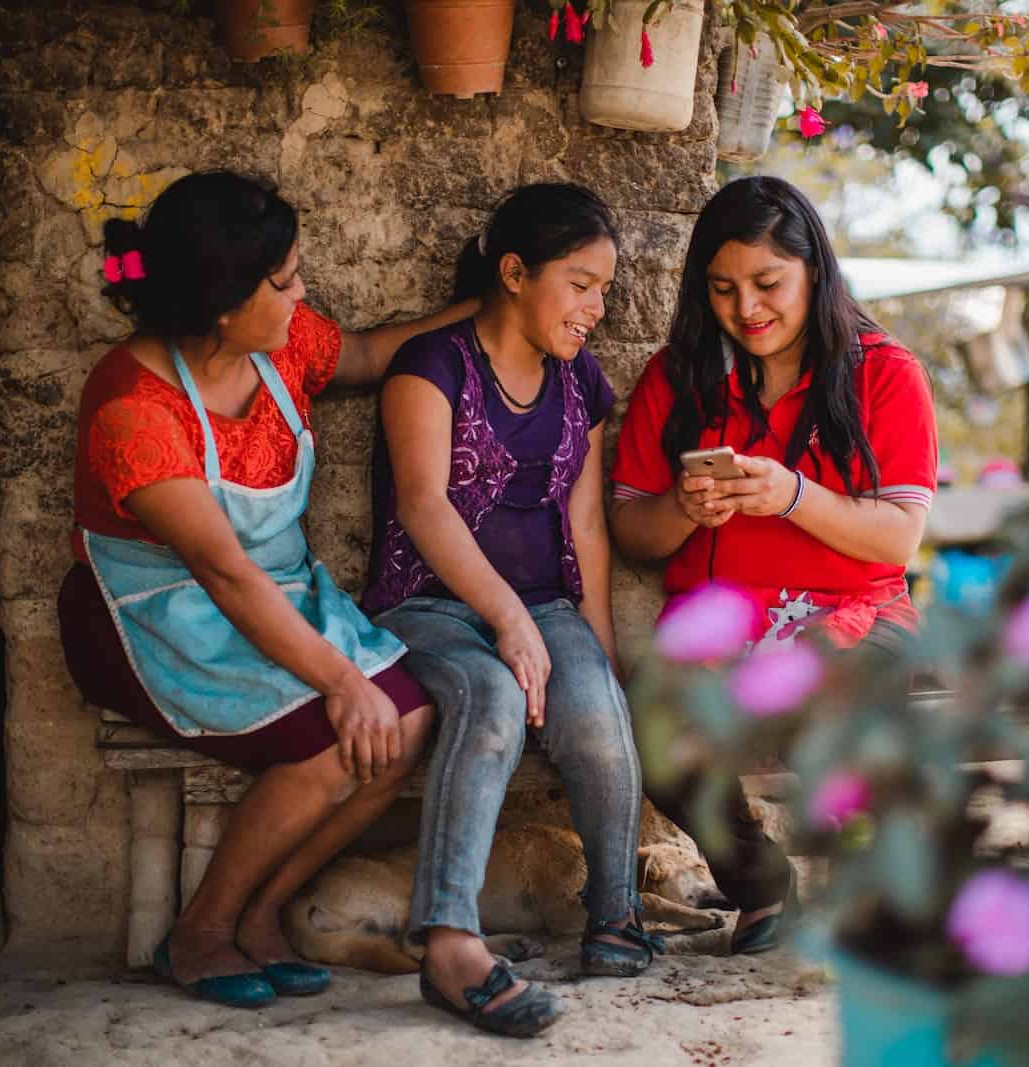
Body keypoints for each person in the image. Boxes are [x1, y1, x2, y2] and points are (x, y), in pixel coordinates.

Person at [58, 171, 473, 1008]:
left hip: (271, 592)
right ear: (222, 301)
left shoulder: (279, 346)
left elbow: (358, 354)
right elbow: (223, 575)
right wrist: (342, 680)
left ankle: (264, 910)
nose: (302, 292)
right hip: (155, 613)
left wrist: (486, 312)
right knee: (331, 739)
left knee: (411, 719)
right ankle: (202, 927)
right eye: (284, 280)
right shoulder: (133, 406)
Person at [608, 175, 938, 955]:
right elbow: (630, 530)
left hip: (853, 616)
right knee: (652, 722)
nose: (747, 308)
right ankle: (762, 890)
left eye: (768, 283)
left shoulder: (885, 374)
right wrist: (684, 509)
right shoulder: (677, 377)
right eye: (722, 288)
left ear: (815, 271)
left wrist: (793, 494)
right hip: (718, 627)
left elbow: (898, 540)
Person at [363, 183, 648, 1037]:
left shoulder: (580, 383)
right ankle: (451, 944)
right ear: (515, 273)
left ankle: (616, 909)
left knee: (598, 711)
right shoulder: (430, 366)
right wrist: (509, 624)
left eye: (605, 287)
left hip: (544, 603)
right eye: (581, 283)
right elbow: (423, 506)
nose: (597, 307)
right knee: (488, 698)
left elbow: (585, 522)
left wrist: (591, 645)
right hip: (429, 605)